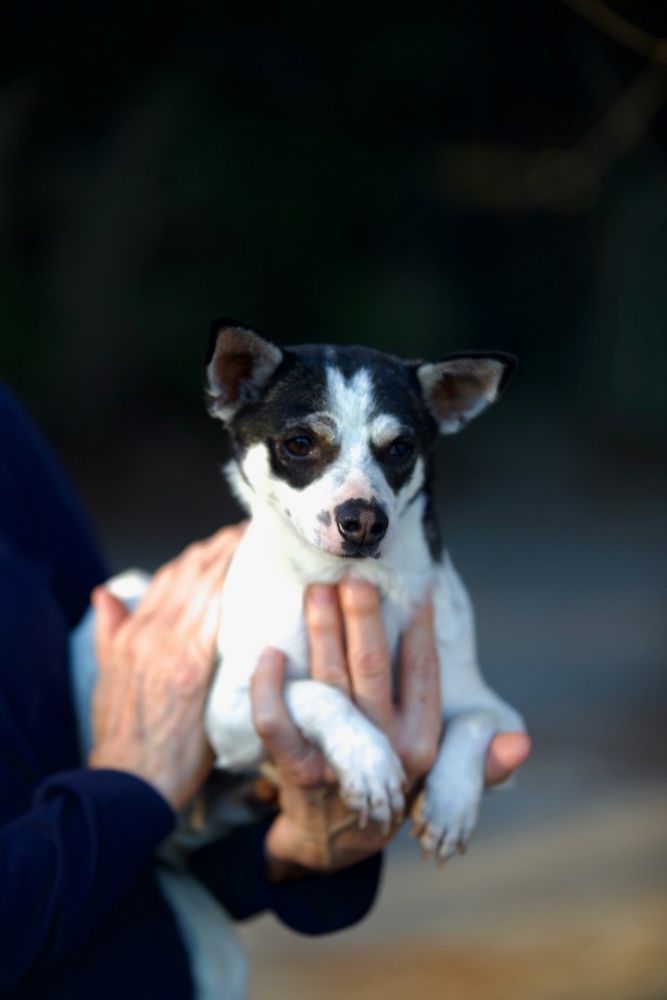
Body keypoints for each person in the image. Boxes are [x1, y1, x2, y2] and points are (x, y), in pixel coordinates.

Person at [0, 383, 530, 999]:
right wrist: (122, 798)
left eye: (394, 451)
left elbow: (96, 657)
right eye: (302, 444)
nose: (360, 500)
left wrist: (286, 847)